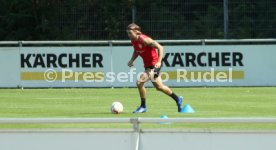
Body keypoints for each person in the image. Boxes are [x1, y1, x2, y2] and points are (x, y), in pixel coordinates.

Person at [126, 23, 183, 113]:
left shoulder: (145, 40)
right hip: (148, 65)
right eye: (128, 33)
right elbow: (136, 50)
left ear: (136, 32)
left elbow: (160, 47)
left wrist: (159, 62)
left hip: (154, 65)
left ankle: (143, 106)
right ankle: (177, 99)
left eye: (130, 33)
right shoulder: (133, 40)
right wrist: (132, 60)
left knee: (139, 82)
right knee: (159, 87)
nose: (128, 35)